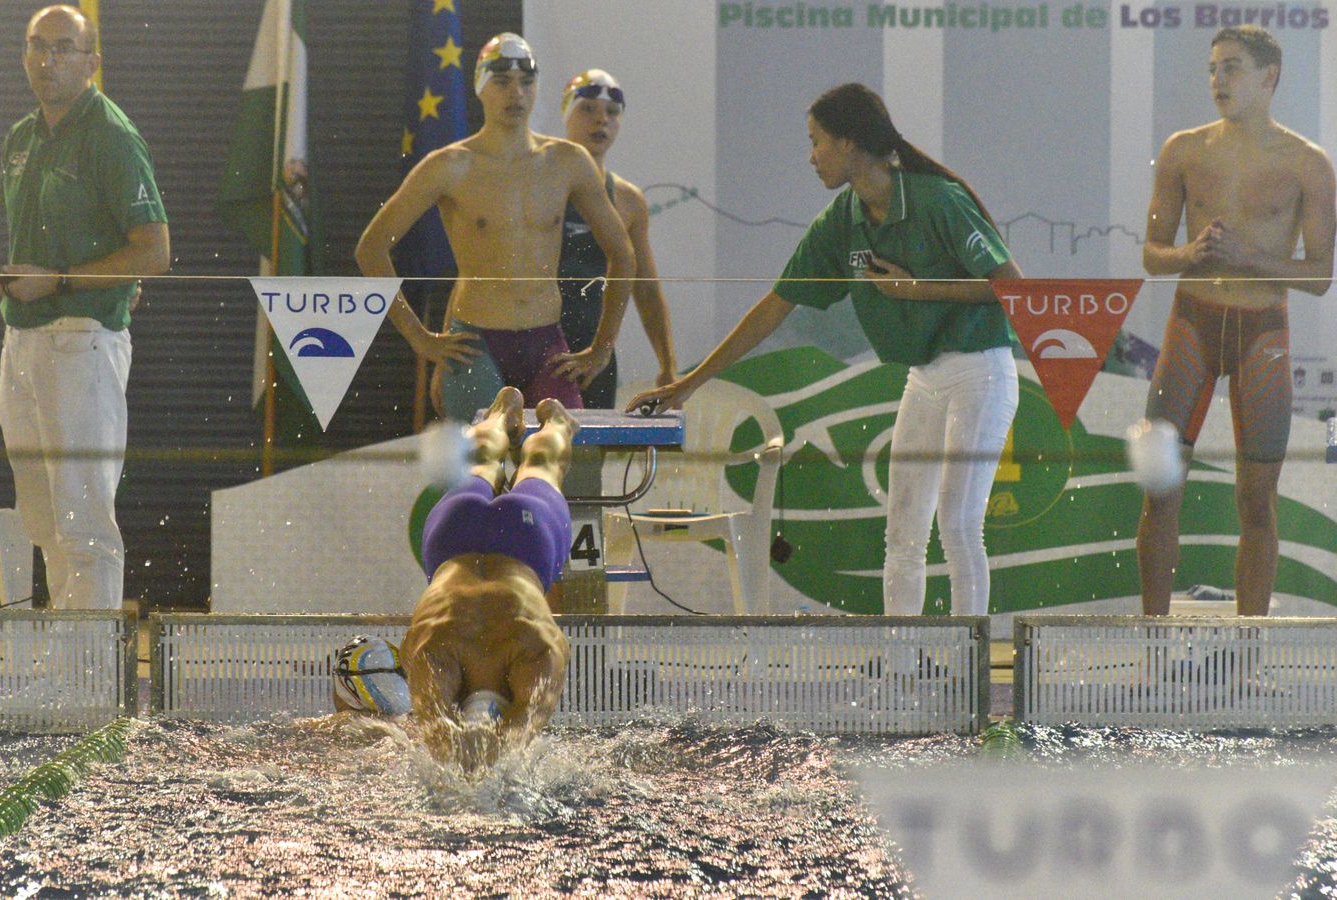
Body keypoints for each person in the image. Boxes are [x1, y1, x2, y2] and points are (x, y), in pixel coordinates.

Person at [629, 83, 1022, 620]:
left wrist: (918, 289)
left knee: (956, 524)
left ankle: (970, 666)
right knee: (903, 533)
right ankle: (904, 670)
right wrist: (687, 385)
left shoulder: (937, 201)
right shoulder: (844, 219)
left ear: (849, 143)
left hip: (980, 369)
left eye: (816, 142)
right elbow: (775, 305)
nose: (810, 156)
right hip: (925, 377)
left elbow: (1013, 287)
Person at [1137, 26, 1335, 617]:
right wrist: (1189, 256)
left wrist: (1250, 259)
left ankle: (1250, 657)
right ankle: (1151, 648)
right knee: (1161, 487)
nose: (1218, 80)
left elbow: (1321, 276)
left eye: (1232, 68)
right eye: (1213, 69)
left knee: (1257, 500)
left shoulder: (1307, 164)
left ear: (1269, 76)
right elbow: (1152, 252)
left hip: (1261, 333)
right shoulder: (1185, 150)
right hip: (1191, 324)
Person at [356, 33, 636, 423]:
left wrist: (603, 346)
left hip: (548, 346)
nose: (516, 94)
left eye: (526, 82)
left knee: (564, 469)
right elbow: (371, 249)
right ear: (481, 88)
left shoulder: (568, 162)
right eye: (502, 82)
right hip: (476, 345)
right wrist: (419, 338)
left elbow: (622, 254)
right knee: (482, 471)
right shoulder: (449, 166)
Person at [0, 5, 170, 611]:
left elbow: (155, 250)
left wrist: (62, 281)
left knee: (84, 520)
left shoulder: (112, 136)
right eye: (37, 46)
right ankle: (64, 665)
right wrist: (23, 282)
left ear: (92, 62)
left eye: (64, 48)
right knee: (41, 517)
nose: (48, 60)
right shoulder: (21, 137)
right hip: (23, 340)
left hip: (82, 340)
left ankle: (88, 681)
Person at [402, 385, 572, 767]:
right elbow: (450, 740)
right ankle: (505, 418)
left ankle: (553, 422)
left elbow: (488, 749)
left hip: (528, 544)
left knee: (543, 465)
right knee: (482, 460)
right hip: (454, 538)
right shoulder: (433, 649)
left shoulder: (537, 650)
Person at [557, 69, 676, 408]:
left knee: (588, 460)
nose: (601, 121)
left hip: (595, 353)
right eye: (588, 109)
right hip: (536, 344)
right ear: (567, 115)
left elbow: (647, 289)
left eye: (612, 112)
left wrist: (668, 367)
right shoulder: (542, 185)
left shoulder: (627, 200)